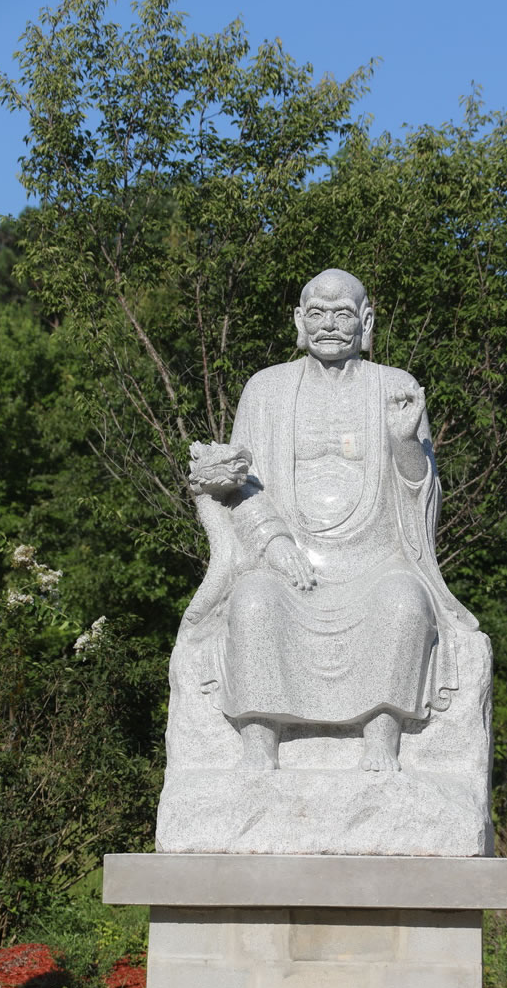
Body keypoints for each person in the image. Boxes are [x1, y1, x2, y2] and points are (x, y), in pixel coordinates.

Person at [200, 269, 479, 771]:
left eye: (343, 313)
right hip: (288, 558)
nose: (329, 324)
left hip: (375, 558)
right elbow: (240, 483)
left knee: (403, 603)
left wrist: (404, 443)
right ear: (298, 321)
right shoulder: (264, 389)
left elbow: (421, 492)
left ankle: (381, 739)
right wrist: (274, 543)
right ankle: (260, 743)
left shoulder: (395, 388)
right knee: (253, 601)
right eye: (317, 312)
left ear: (366, 322)